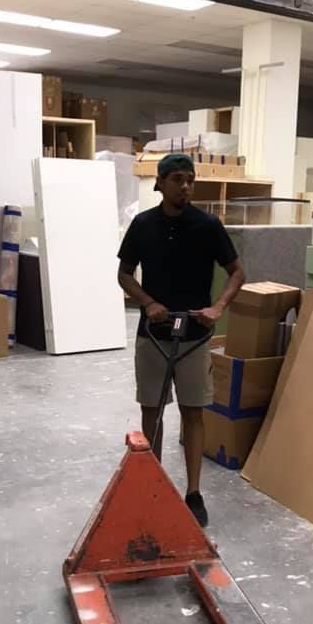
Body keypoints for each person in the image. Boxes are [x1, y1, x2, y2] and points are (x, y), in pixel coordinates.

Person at [117, 152, 245, 527]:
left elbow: (237, 272)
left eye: (190, 179)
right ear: (160, 183)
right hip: (153, 335)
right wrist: (148, 302)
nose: (185, 186)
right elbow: (124, 274)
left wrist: (218, 307)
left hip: (195, 335)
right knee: (152, 413)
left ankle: (193, 493)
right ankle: (152, 485)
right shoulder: (142, 225)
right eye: (177, 179)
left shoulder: (207, 226)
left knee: (193, 412)